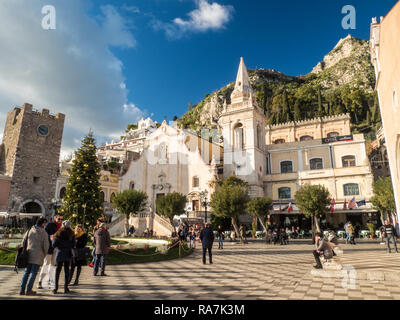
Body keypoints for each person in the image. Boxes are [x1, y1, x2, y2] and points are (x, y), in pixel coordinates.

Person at [19, 218, 49, 296]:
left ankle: (22, 290)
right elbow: (46, 246)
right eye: (45, 224)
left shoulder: (29, 230)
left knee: (26, 273)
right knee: (33, 273)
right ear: (43, 223)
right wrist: (44, 254)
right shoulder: (44, 232)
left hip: (28, 255)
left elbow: (23, 242)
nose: (45, 225)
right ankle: (29, 290)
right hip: (38, 255)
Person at [37, 214, 62, 290]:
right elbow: (43, 234)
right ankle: (40, 281)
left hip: (56, 248)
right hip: (49, 249)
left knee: (52, 265)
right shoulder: (50, 225)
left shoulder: (61, 226)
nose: (60, 221)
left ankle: (50, 280)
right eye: (59, 219)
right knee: (45, 264)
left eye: (61, 219)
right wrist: (50, 236)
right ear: (55, 218)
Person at [52, 220, 75, 294]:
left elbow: (54, 244)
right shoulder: (71, 233)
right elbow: (73, 244)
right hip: (68, 253)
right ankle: (66, 288)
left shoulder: (58, 233)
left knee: (58, 271)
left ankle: (55, 288)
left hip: (60, 252)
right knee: (66, 270)